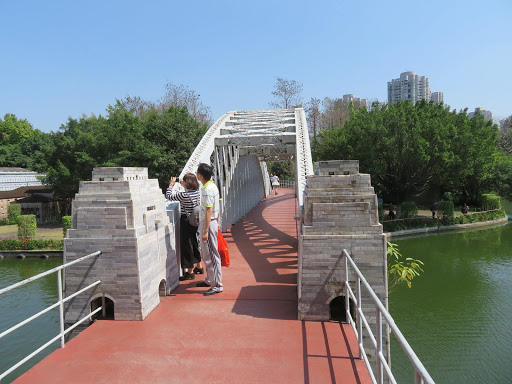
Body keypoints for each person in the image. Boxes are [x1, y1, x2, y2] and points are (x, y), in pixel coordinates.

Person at [166, 173, 203, 280]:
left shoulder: (184, 195)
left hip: (186, 221)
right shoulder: (197, 192)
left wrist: (171, 184)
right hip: (195, 220)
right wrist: (183, 183)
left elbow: (169, 196)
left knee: (187, 246)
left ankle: (190, 272)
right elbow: (188, 190)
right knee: (194, 242)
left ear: (188, 183)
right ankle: (199, 266)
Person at [195, 163, 223, 296]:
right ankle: (209, 279)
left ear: (200, 175)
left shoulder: (207, 189)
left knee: (212, 255)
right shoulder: (212, 186)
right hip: (210, 223)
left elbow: (208, 210)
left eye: (197, 172)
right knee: (207, 254)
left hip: (208, 223)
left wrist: (205, 231)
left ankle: (217, 285)